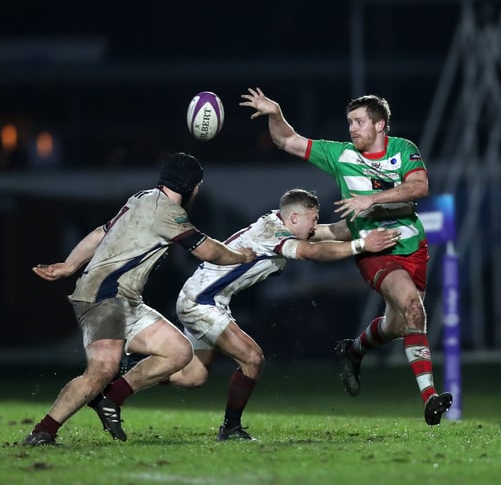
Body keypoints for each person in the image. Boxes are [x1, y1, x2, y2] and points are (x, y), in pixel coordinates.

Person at [105, 188, 401, 442]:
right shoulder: (275, 234)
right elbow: (315, 252)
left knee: (191, 376)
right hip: (201, 300)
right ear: (294, 218)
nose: (314, 227)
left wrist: (371, 217)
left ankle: (120, 375)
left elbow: (334, 232)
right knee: (252, 358)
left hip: (206, 297)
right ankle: (230, 428)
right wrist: (363, 245)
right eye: (312, 221)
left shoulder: (284, 224)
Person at [240, 87, 453, 426]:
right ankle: (430, 398)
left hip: (413, 247)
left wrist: (372, 200)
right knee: (414, 308)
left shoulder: (403, 149)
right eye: (350, 123)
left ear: (380, 125)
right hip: (375, 250)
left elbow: (420, 186)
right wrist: (275, 113)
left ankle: (353, 351)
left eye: (358, 122)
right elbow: (288, 141)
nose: (352, 129)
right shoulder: (340, 155)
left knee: (399, 325)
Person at [22, 152, 257, 446]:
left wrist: (70, 265)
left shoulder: (142, 197)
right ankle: (43, 431)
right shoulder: (168, 213)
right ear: (191, 186)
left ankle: (112, 398)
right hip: (104, 297)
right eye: (197, 186)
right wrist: (241, 256)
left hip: (125, 300)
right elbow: (208, 251)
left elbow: (100, 233)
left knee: (178, 351)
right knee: (102, 370)